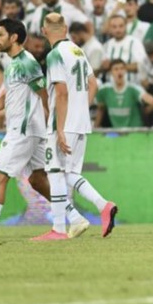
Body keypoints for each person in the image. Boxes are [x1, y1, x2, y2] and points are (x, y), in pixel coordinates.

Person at [0, 19, 89, 241]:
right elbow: (8, 96)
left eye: (0, 34)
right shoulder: (13, 64)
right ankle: (75, 217)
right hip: (33, 130)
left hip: (22, 130)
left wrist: (55, 124)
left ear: (13, 37)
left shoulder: (26, 62)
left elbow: (44, 94)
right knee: (37, 180)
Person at [34, 13, 117, 241]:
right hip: (81, 122)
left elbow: (61, 93)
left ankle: (59, 229)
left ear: (43, 31)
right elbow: (94, 84)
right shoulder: (77, 50)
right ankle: (103, 205)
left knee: (55, 173)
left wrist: (60, 128)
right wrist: (81, 108)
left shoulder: (54, 54)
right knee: (69, 173)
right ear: (66, 28)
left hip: (63, 122)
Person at [95, 59, 153, 128]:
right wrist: (96, 127)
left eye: (122, 68)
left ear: (125, 71)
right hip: (116, 131)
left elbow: (151, 100)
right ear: (110, 72)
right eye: (116, 69)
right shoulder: (104, 90)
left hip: (135, 131)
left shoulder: (133, 88)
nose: (119, 72)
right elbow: (101, 109)